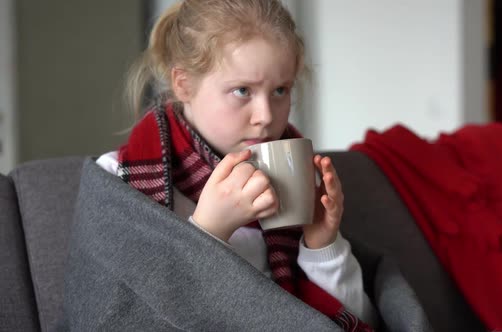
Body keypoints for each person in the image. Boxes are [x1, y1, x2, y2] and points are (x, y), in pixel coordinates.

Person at [94, 0, 377, 329]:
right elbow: (114, 318)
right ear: (183, 84)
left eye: (280, 90)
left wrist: (322, 245)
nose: (266, 116)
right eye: (242, 90)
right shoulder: (118, 180)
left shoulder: (302, 174)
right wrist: (208, 232)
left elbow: (360, 321)